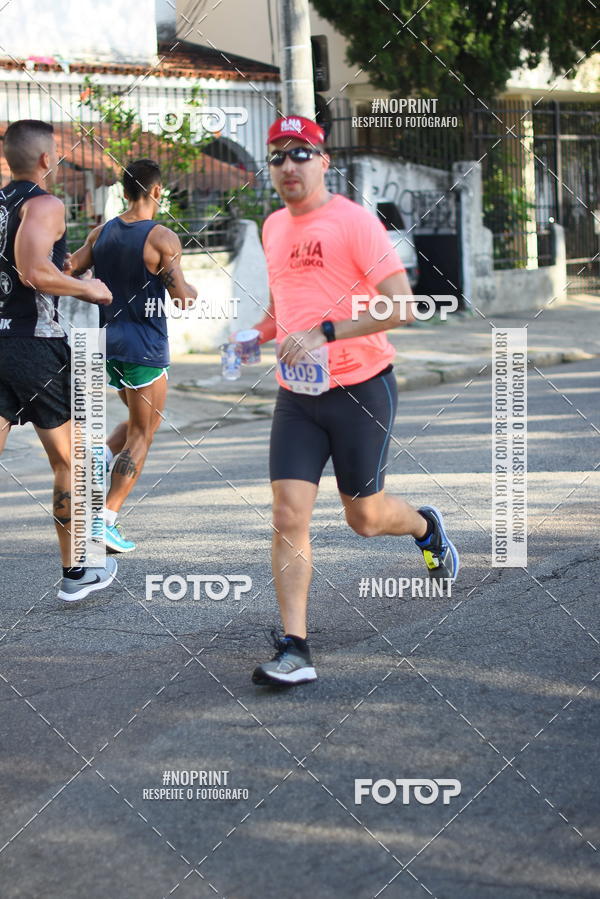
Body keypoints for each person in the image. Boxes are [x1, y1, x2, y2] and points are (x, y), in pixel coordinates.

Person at [250, 115, 459, 686]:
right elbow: (282, 309)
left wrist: (328, 331)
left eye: (301, 154)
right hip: (297, 395)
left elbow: (402, 306)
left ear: (323, 161)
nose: (289, 166)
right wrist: (255, 335)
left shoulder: (354, 222)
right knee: (288, 514)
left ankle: (424, 528)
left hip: (362, 387)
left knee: (364, 518)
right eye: (278, 157)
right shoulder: (271, 227)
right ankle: (295, 645)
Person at [0, 119, 117, 601]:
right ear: (47, 159)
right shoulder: (43, 203)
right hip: (36, 343)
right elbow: (32, 272)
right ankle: (77, 572)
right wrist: (87, 287)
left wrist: (62, 265)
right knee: (71, 458)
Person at [69, 159, 198, 552]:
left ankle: (101, 457)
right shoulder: (162, 238)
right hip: (145, 348)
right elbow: (181, 299)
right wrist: (190, 289)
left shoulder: (101, 233)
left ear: (124, 192)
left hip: (109, 345)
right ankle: (104, 520)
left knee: (136, 419)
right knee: (145, 432)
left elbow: (68, 268)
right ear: (157, 191)